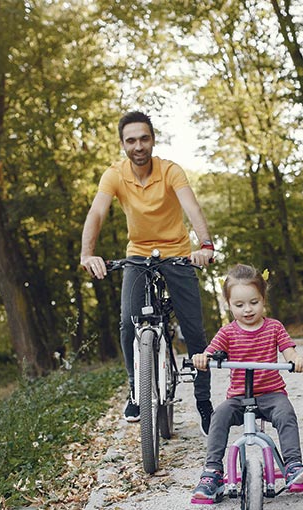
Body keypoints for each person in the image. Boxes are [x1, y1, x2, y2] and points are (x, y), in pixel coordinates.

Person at [80, 111, 215, 434]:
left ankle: (204, 399)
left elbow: (192, 207)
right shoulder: (114, 175)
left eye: (144, 138)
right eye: (131, 140)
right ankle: (136, 389)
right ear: (122, 144)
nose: (138, 146)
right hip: (138, 255)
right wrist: (87, 253)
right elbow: (97, 212)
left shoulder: (170, 171)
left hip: (177, 252)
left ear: (153, 140)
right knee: (128, 322)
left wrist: (205, 245)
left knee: (194, 330)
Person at [190, 264, 303, 504]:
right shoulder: (227, 333)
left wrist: (297, 360)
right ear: (229, 305)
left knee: (286, 413)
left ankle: (293, 466)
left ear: (263, 300)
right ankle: (212, 472)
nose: (247, 309)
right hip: (238, 397)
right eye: (239, 305)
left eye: (253, 302)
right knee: (219, 416)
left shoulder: (274, 327)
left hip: (271, 394)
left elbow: (289, 351)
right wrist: (202, 358)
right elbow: (209, 353)